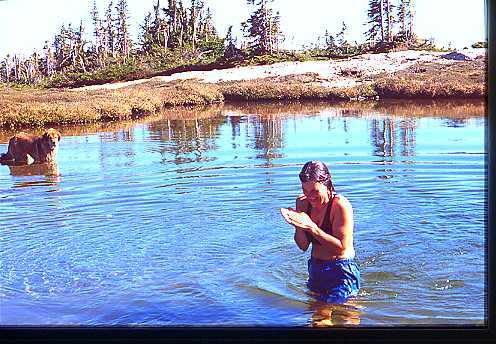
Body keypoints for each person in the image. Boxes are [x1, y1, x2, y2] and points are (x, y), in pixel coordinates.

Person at [280, 160, 360, 304]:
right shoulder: (303, 203)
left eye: (314, 191)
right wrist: (298, 223)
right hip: (316, 270)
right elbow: (303, 246)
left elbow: (341, 247)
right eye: (305, 191)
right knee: (317, 317)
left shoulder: (340, 205)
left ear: (326, 184)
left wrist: (312, 228)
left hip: (341, 270)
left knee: (343, 317)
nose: (310, 196)